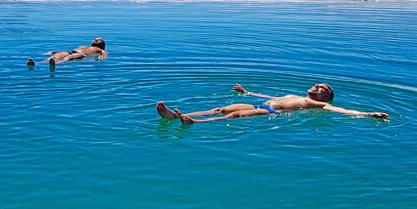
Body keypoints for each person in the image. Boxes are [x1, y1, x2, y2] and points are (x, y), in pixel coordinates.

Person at [156, 82, 389, 123]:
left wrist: (368, 114)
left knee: (232, 116)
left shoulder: (320, 105)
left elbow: (343, 110)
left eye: (323, 88)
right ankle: (176, 115)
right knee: (221, 108)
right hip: (261, 105)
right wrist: (247, 92)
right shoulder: (293, 95)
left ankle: (194, 123)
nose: (317, 87)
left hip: (269, 114)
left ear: (325, 97)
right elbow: (266, 96)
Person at [28, 38, 106, 70]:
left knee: (68, 58)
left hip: (81, 54)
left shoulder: (100, 49)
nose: (96, 39)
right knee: (54, 57)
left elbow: (104, 54)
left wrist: (102, 58)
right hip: (70, 51)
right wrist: (53, 52)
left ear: (102, 44)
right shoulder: (84, 46)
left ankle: (55, 64)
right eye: (95, 39)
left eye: (99, 40)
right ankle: (36, 63)